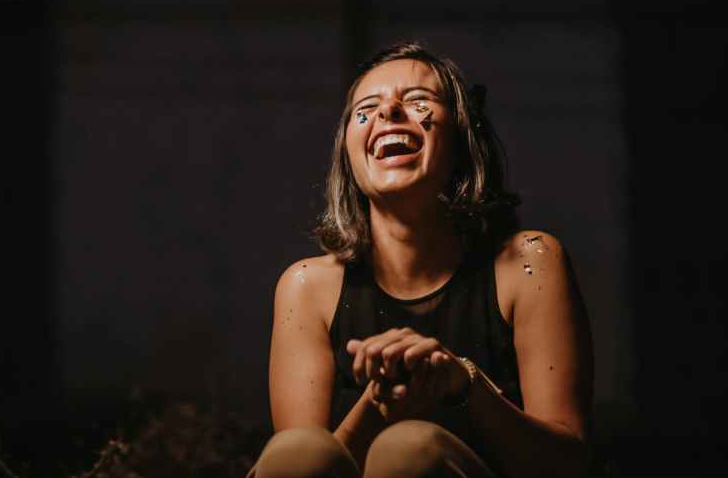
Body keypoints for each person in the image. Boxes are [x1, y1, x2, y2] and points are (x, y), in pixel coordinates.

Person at [248, 42, 594, 478]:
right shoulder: (305, 287)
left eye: (417, 101)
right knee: (296, 450)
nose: (388, 111)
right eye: (365, 110)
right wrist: (380, 402)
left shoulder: (529, 263)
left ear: (463, 138)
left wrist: (462, 383)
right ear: (348, 155)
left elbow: (570, 463)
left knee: (410, 449)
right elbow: (303, 467)